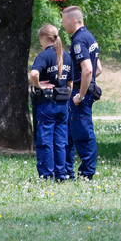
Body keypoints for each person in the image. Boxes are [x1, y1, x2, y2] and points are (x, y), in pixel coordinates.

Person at [61, 6, 103, 180]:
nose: (62, 25)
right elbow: (98, 69)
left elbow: (88, 70)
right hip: (81, 90)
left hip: (79, 94)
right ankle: (67, 173)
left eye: (63, 21)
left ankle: (86, 175)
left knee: (83, 134)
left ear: (72, 20)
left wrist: (80, 94)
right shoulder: (89, 37)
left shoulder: (78, 40)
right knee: (70, 134)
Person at [30, 23, 74, 181]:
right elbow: (70, 83)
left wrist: (38, 85)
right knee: (60, 141)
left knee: (45, 141)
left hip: (46, 104)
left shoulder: (44, 56)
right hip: (62, 104)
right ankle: (61, 175)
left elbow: (34, 73)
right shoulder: (67, 56)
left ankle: (46, 175)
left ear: (44, 38)